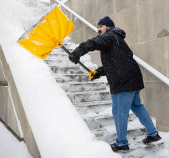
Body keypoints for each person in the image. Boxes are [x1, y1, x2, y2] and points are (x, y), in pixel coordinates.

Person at [68, 16, 161, 152]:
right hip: (133, 78)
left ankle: (122, 143)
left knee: (119, 112)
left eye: (100, 26)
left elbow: (92, 43)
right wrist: (98, 72)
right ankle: (153, 134)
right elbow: (115, 64)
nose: (98, 29)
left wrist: (77, 53)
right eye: (98, 27)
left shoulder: (109, 36)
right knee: (137, 106)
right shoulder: (117, 39)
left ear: (108, 26)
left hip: (123, 82)